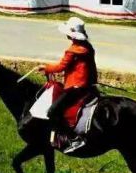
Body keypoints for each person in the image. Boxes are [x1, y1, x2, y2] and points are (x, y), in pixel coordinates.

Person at [38, 17, 98, 154]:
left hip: (76, 86)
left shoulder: (73, 51)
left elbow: (60, 67)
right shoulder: (88, 47)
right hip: (88, 85)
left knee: (52, 111)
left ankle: (73, 138)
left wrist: (45, 68)